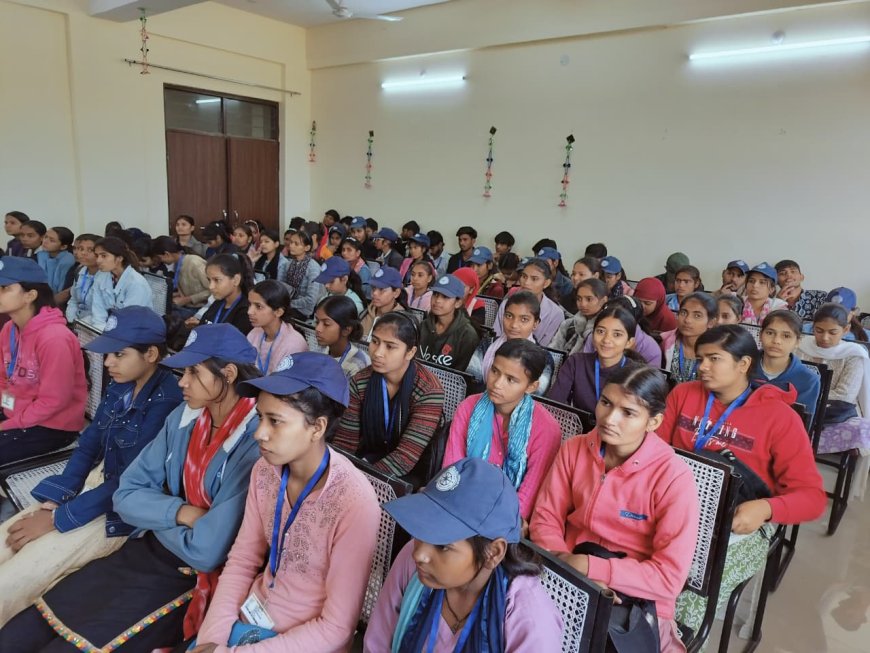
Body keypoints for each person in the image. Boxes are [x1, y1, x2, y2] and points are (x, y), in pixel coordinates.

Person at [0, 324, 262, 651]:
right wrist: (179, 511)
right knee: (21, 632)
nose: (182, 381)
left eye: (194, 372)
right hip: (144, 547)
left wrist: (154, 512)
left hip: (186, 574)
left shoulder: (255, 441)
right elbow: (125, 495)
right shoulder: (185, 416)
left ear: (229, 373)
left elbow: (207, 551)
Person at [0, 307, 183, 626]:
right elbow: (88, 447)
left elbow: (129, 484)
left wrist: (58, 519)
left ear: (151, 353)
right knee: (7, 538)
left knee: (16, 579)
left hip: (123, 509)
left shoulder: (167, 404)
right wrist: (54, 501)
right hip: (99, 486)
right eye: (107, 354)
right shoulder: (121, 386)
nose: (108, 363)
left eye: (118, 354)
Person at [192, 352, 381, 652]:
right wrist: (212, 639)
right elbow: (242, 561)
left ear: (317, 428)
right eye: (260, 417)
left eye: (275, 421)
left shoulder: (354, 501)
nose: (259, 433)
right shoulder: (264, 472)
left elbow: (336, 627)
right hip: (248, 624)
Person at [657, 326, 825, 636]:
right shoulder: (683, 394)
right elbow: (656, 450)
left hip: (740, 519)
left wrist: (765, 509)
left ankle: (676, 638)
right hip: (673, 504)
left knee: (689, 599)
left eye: (714, 359)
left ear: (744, 364)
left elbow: (812, 496)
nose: (702, 367)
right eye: (700, 359)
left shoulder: (779, 417)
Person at [532, 365, 699, 652]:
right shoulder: (574, 449)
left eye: (628, 412)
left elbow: (668, 578)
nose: (609, 419)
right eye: (606, 403)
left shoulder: (673, 478)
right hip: (565, 568)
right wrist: (566, 566)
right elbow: (546, 518)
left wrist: (593, 569)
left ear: (654, 422)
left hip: (634, 594)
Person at [365, 458, 563, 652]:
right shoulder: (410, 560)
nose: (420, 553)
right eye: (422, 531)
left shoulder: (530, 620)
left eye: (442, 545)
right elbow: (377, 644)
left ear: (493, 553)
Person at [445, 340, 561, 521]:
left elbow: (527, 497)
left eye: (511, 379)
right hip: (459, 503)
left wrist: (493, 522)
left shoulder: (547, 429)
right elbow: (452, 469)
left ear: (531, 387)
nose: (497, 384)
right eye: (494, 371)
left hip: (506, 518)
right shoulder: (468, 406)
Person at [331, 313, 444, 478]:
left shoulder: (429, 390)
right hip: (368, 457)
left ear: (410, 352)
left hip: (411, 470)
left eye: (390, 346)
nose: (378, 353)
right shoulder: (360, 382)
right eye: (375, 342)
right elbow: (345, 442)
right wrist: (338, 473)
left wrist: (360, 482)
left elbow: (405, 458)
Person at [0, 258, 86, 466]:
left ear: (30, 295)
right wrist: (5, 408)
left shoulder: (54, 338)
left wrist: (7, 424)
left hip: (52, 426)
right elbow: (3, 378)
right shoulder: (10, 329)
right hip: (16, 410)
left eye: (4, 288)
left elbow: (54, 401)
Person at [798, 303, 870, 457]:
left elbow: (845, 396)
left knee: (863, 429)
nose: (825, 338)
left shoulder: (853, 354)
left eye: (832, 332)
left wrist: (808, 394)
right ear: (812, 327)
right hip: (799, 410)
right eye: (819, 330)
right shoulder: (800, 346)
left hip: (834, 415)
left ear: (845, 330)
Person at [549, 304, 645, 414]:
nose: (607, 340)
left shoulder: (636, 374)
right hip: (578, 428)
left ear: (629, 342)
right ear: (592, 335)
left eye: (617, 334)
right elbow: (554, 405)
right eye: (601, 331)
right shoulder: (576, 362)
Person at [467, 291, 552, 391]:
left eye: (524, 319)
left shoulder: (544, 358)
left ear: (535, 324)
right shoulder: (487, 344)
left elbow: (535, 396)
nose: (514, 325)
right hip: (480, 403)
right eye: (509, 316)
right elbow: (472, 383)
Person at [752, 309, 821, 425]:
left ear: (798, 341)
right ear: (760, 335)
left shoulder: (808, 380)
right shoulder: (742, 366)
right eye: (770, 333)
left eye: (786, 336)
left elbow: (801, 426)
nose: (776, 341)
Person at [494, 258, 564, 348]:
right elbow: (496, 335)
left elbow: (545, 348)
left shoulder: (555, 313)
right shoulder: (506, 304)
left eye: (534, 279)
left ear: (546, 283)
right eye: (524, 276)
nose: (526, 282)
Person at [418, 275, 481, 370]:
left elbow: (462, 376)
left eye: (445, 297)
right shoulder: (423, 325)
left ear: (458, 303)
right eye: (435, 294)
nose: (438, 300)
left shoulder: (467, 335)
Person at [246, 280, 307, 374]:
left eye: (258, 306)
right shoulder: (255, 332)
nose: (249, 311)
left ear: (278, 312)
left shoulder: (293, 344)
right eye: (250, 304)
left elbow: (283, 385)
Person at [90, 236, 153, 325]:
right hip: (110, 327)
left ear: (119, 258)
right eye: (97, 256)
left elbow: (130, 320)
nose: (98, 260)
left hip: (134, 329)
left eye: (104, 256)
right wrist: (99, 330)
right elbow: (98, 311)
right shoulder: (101, 275)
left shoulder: (136, 283)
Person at [189, 253, 254, 335]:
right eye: (209, 280)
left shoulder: (246, 313)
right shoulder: (217, 303)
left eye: (217, 280)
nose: (211, 286)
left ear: (236, 280)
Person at [660, 292, 718, 384]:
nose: (687, 320)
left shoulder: (718, 352)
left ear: (711, 322)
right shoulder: (664, 342)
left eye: (697, 316)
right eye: (683, 313)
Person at [314, 295, 371, 378]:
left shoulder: (359, 364)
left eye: (326, 324)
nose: (318, 329)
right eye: (317, 321)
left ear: (346, 330)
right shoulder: (320, 350)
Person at [151, 235, 211, 314]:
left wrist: (187, 299)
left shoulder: (194, 263)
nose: (160, 261)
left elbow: (212, 291)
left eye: (160, 258)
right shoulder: (176, 264)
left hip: (200, 308)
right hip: (186, 305)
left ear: (167, 254)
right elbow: (190, 288)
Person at [549, 278, 609, 355]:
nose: (583, 304)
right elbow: (552, 351)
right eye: (579, 299)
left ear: (603, 300)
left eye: (589, 299)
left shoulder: (605, 329)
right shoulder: (568, 325)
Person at [283, 229, 324, 320]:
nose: (291, 246)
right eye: (291, 242)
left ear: (307, 248)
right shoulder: (289, 264)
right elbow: (282, 287)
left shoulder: (313, 267)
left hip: (304, 311)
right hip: (288, 305)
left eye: (296, 244)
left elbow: (310, 300)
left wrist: (288, 304)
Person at [360, 267, 407, 341]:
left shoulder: (402, 322)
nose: (375, 293)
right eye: (373, 288)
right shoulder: (364, 314)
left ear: (396, 293)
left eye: (381, 289)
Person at [64, 233, 100, 323]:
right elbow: (73, 300)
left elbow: (102, 310)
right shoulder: (79, 271)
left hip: (95, 324)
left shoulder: (108, 276)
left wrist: (81, 325)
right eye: (81, 249)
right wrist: (71, 321)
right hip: (77, 321)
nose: (83, 253)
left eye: (90, 250)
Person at [36, 227, 75, 296]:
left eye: (52, 240)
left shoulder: (68, 261)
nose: (45, 241)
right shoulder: (40, 256)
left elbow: (64, 289)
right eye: (46, 237)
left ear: (63, 247)